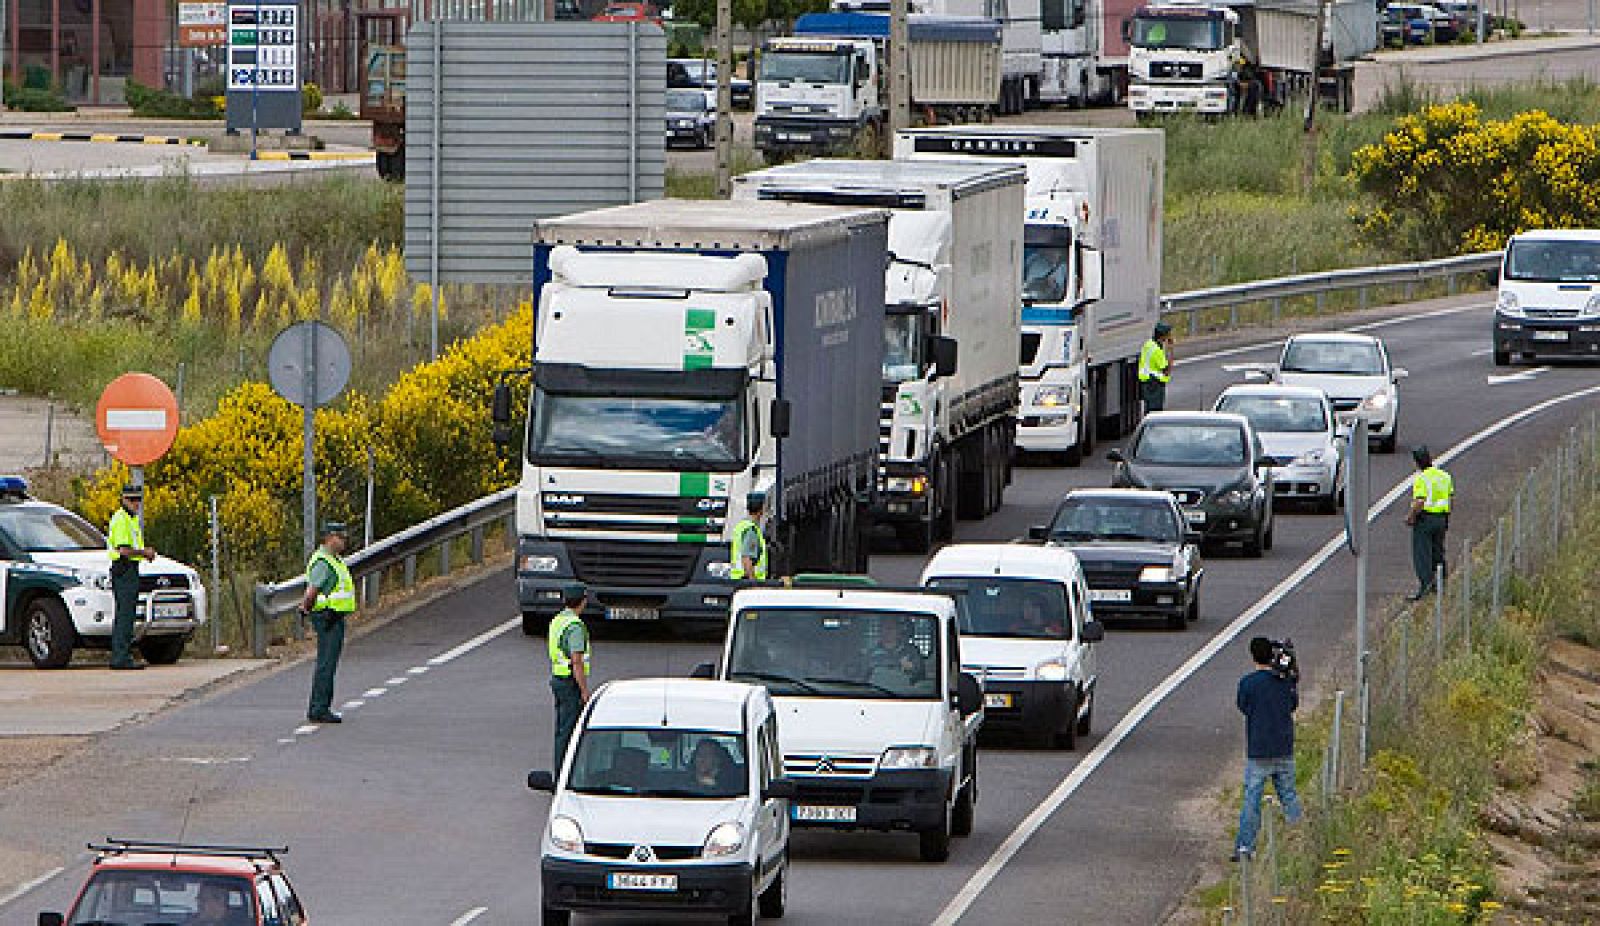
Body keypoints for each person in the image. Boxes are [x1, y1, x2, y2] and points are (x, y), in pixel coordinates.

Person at [1234, 636, 1303, 860]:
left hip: (1259, 748)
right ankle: (1299, 840)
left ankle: (1245, 847)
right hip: (1283, 746)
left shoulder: (1248, 683)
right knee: (1289, 795)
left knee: (1252, 799)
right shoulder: (1284, 681)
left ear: (1253, 656)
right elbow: (1292, 704)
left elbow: (1243, 706)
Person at [297, 521, 355, 724]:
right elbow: (312, 590)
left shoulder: (334, 560)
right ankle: (319, 708)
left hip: (334, 616)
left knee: (328, 662)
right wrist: (306, 608)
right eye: (340, 537)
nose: (344, 540)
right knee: (326, 663)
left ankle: (321, 706)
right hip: (328, 617)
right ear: (330, 538)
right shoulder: (323, 562)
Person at [106, 483, 156, 670]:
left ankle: (123, 654)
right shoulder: (121, 519)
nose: (136, 503)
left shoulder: (131, 519)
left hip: (130, 568)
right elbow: (124, 550)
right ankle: (121, 657)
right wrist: (144, 553)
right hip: (124, 568)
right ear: (123, 499)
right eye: (132, 499)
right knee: (125, 615)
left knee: (128, 614)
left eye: (138, 500)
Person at [548, 582, 592, 771]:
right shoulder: (575, 626)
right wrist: (584, 690)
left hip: (558, 679)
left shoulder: (558, 620)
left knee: (561, 730)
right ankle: (563, 773)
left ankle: (560, 770)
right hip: (569, 683)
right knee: (569, 732)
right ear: (583, 601)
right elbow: (576, 661)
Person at [1406, 445, 1453, 601]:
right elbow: (1450, 498)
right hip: (1442, 518)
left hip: (1425, 519)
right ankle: (1441, 583)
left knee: (1422, 554)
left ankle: (1425, 587)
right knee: (1438, 551)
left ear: (1417, 463)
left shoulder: (1421, 479)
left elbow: (1420, 501)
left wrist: (1411, 516)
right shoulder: (1445, 476)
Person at [869, 617, 925, 686]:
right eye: (884, 628)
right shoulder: (871, 653)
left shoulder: (912, 652)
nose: (887, 632)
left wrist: (911, 668)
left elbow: (921, 677)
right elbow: (864, 679)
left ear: (899, 630)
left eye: (891, 628)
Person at [730, 491, 768, 581]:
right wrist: (753, 582)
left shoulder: (742, 526)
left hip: (739, 580)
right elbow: (747, 559)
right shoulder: (751, 530)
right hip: (747, 581)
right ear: (761, 510)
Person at [1138, 322, 1174, 413]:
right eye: (1168, 334)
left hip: (1147, 383)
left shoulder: (1148, 344)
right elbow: (1167, 371)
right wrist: (1170, 350)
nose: (1170, 336)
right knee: (1155, 412)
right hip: (1155, 385)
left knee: (1149, 411)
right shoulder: (1157, 351)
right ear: (1162, 336)